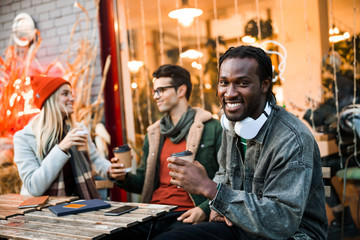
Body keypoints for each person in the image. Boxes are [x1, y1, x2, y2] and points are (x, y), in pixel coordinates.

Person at [155, 45, 328, 240]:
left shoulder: (293, 139)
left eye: (242, 83)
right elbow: (224, 174)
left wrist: (209, 188)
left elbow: (281, 222)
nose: (229, 93)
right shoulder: (234, 123)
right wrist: (217, 207)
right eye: (224, 82)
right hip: (243, 225)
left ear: (264, 85)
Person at [109, 64, 222, 239]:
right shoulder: (154, 133)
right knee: (108, 235)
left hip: (188, 213)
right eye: (154, 91)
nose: (156, 96)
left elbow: (229, 178)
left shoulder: (211, 128)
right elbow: (143, 182)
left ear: (181, 90)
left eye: (161, 90)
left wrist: (204, 209)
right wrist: (121, 177)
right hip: (153, 211)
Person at [14, 75, 111, 199]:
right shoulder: (24, 138)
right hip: (42, 211)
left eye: (71, 93)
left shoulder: (78, 129)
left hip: (81, 204)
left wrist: (111, 170)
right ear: (50, 99)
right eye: (65, 94)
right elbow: (34, 187)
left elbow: (95, 160)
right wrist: (61, 149)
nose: (72, 98)